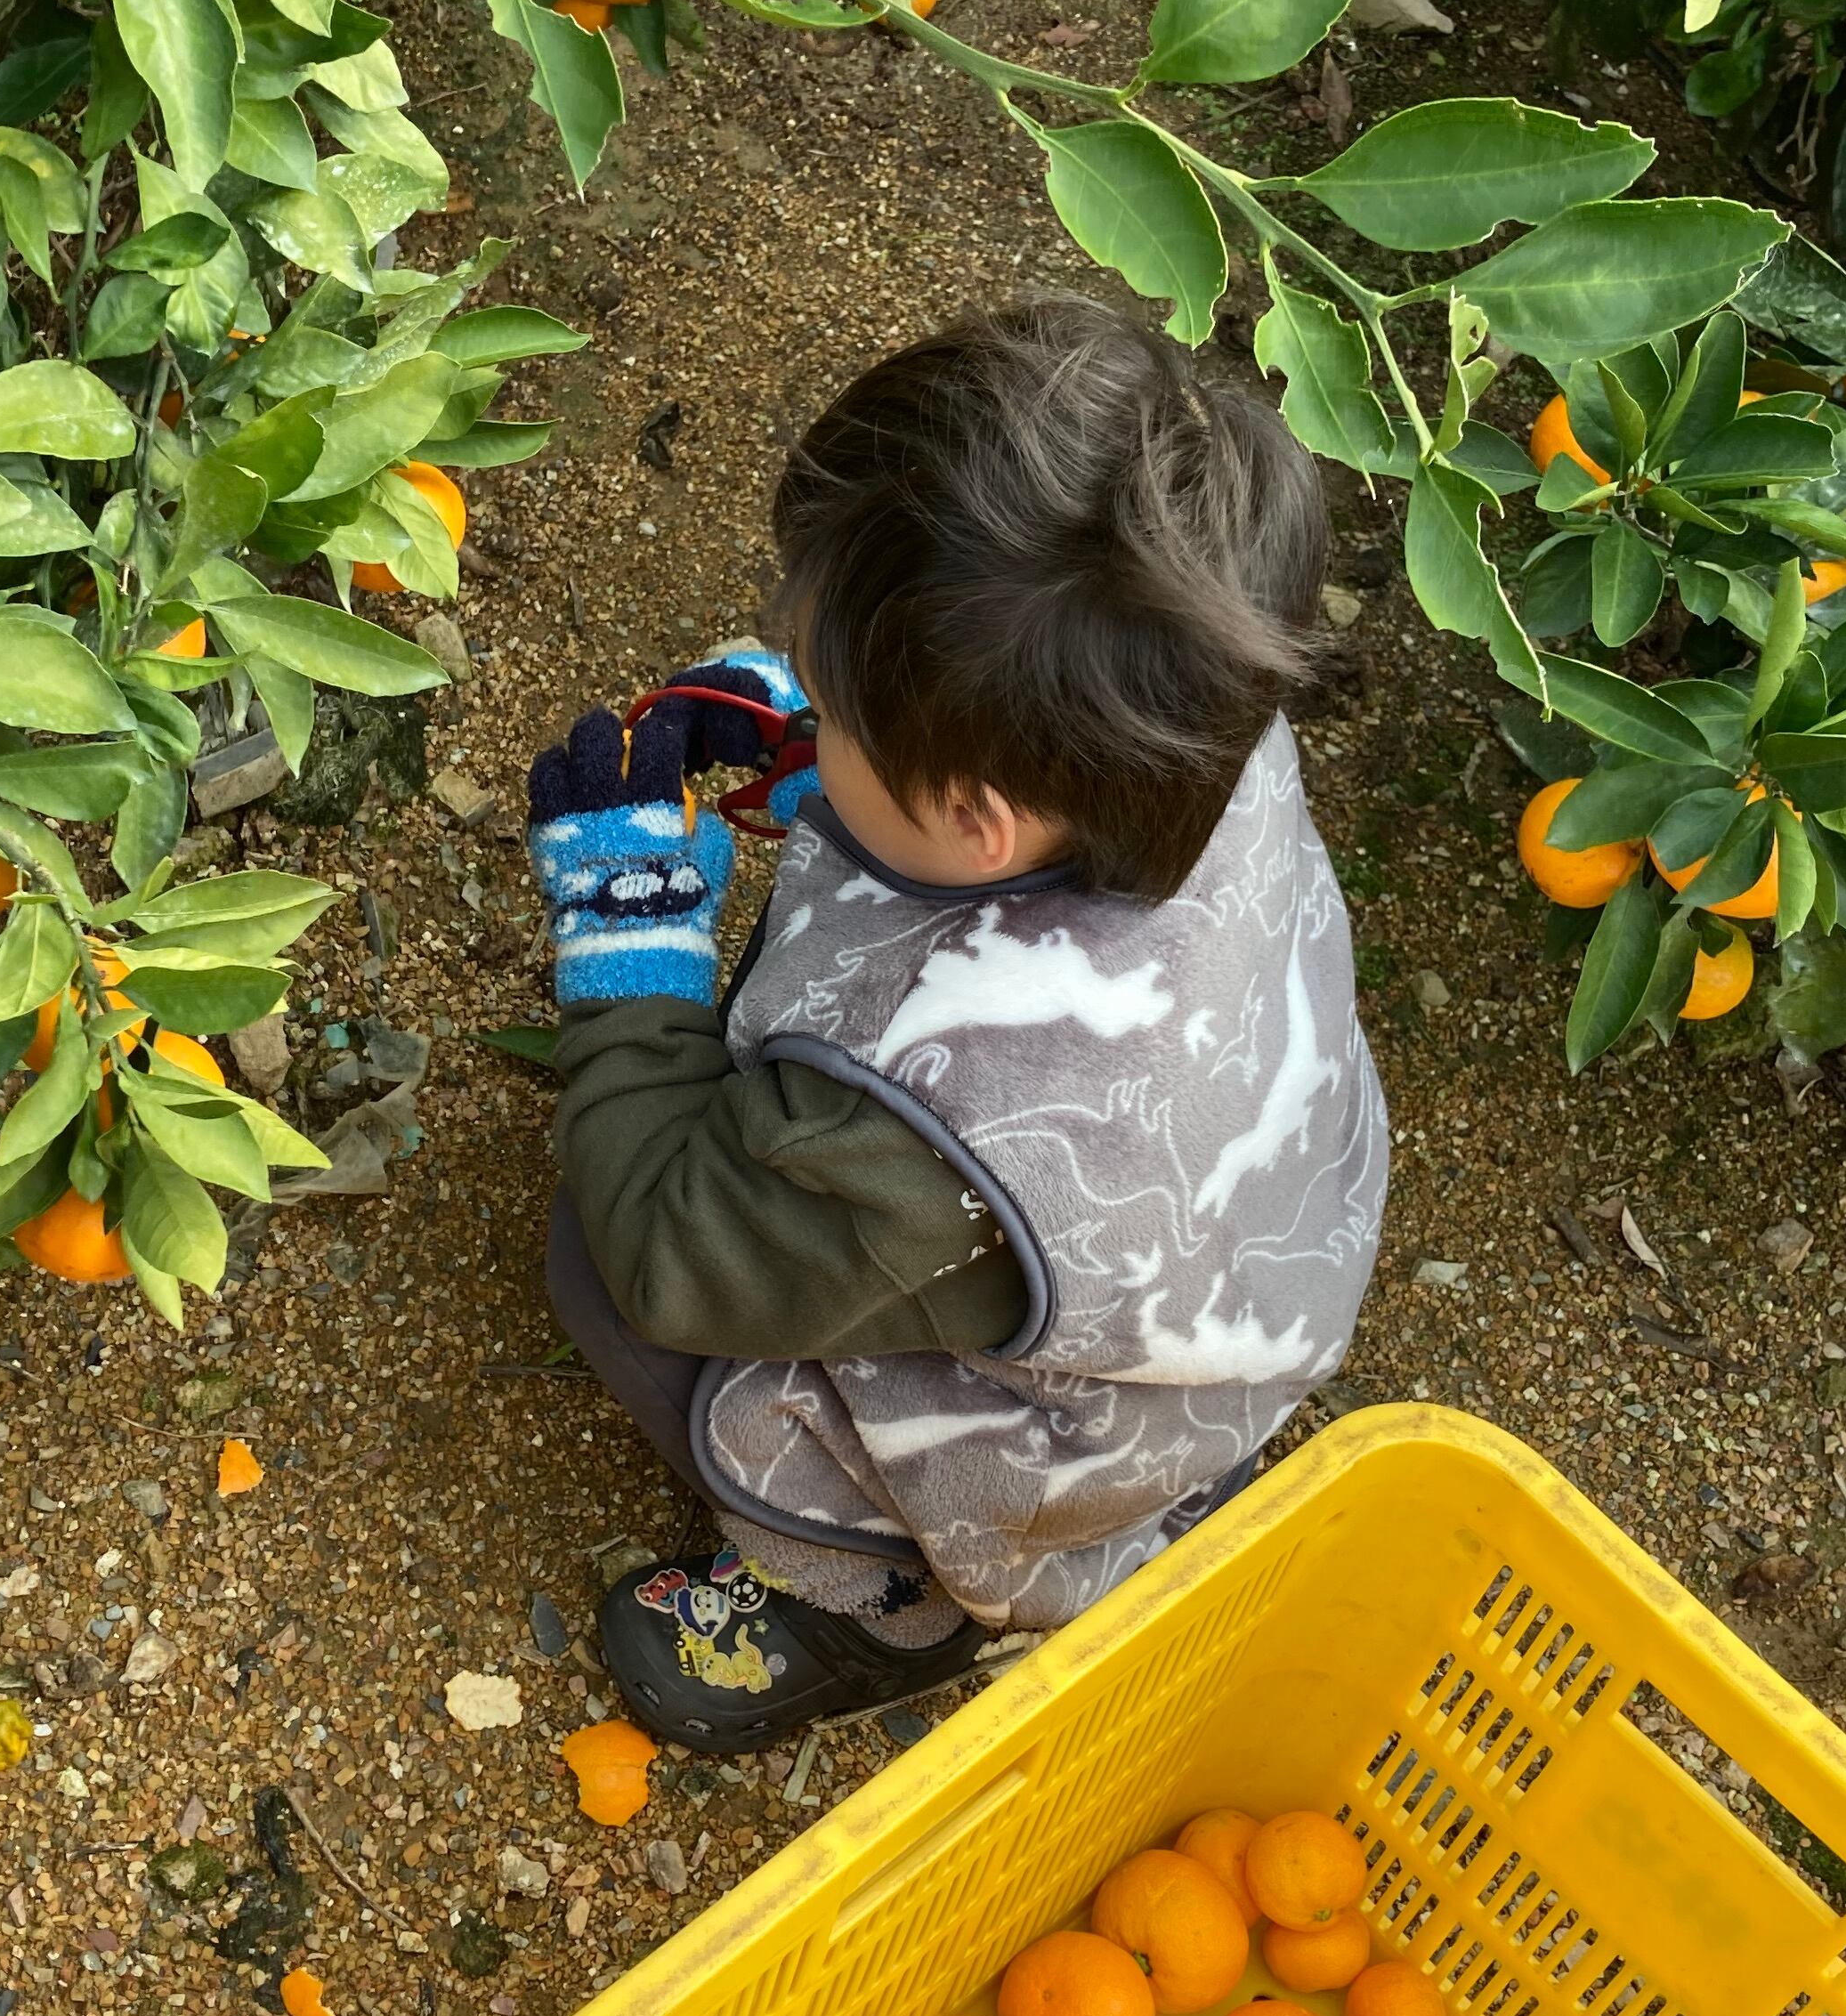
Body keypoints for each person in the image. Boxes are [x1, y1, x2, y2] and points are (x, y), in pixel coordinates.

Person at [526, 298, 1387, 1756]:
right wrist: (841, 743)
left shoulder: (956, 1127)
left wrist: (632, 940)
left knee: (600, 1266)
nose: (801, 676)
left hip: (1052, 1425)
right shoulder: (1191, 714)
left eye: (835, 700)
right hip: (1248, 1276)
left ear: (976, 817)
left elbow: (669, 1244)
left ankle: (876, 1605)